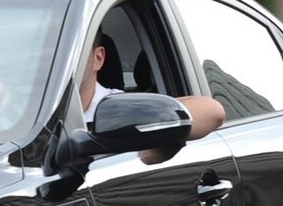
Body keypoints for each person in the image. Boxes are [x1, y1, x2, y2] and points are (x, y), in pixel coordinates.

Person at [79, 29, 226, 140]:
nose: (66, 57)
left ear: (98, 58)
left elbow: (213, 110)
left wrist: (150, 147)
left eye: (75, 49)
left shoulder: (120, 109)